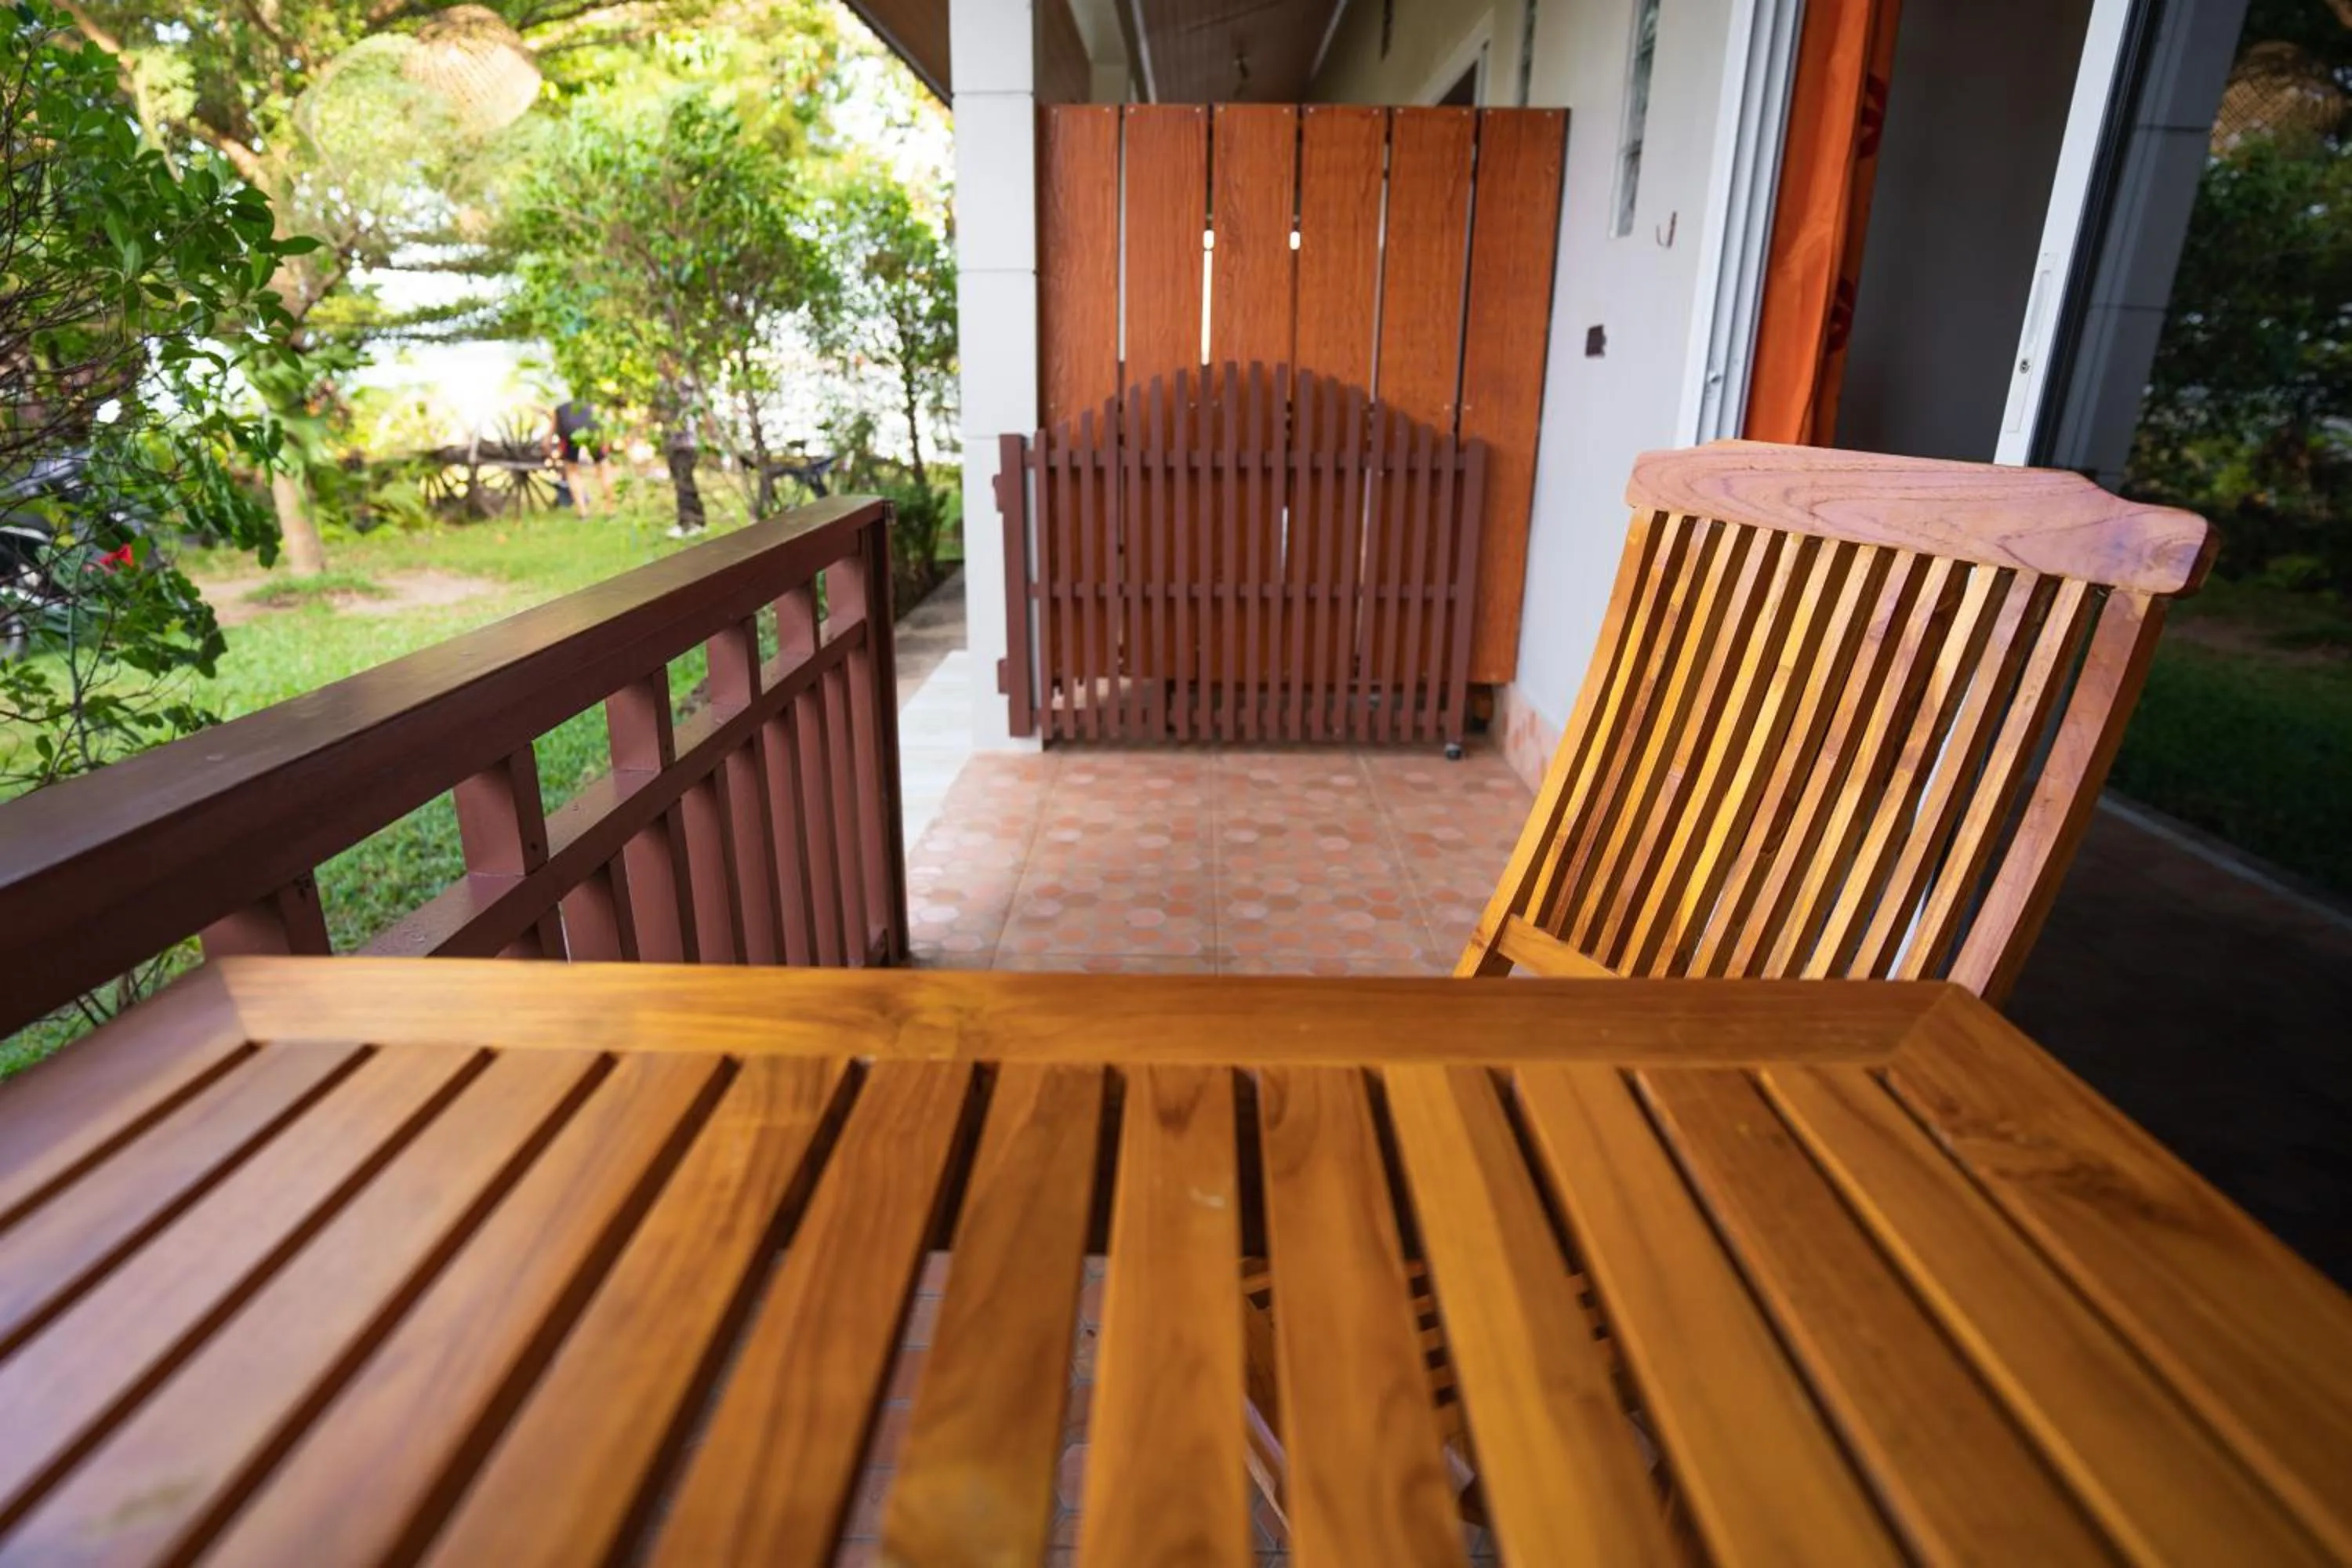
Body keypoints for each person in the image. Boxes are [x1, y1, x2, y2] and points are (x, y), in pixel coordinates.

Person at [549, 395, 613, 516]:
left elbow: (552, 428)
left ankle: (583, 513)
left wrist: (548, 448)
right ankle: (610, 510)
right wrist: (605, 440)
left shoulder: (559, 407)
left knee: (572, 470)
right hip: (593, 428)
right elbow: (603, 420)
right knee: (603, 467)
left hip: (569, 430)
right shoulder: (590, 400)